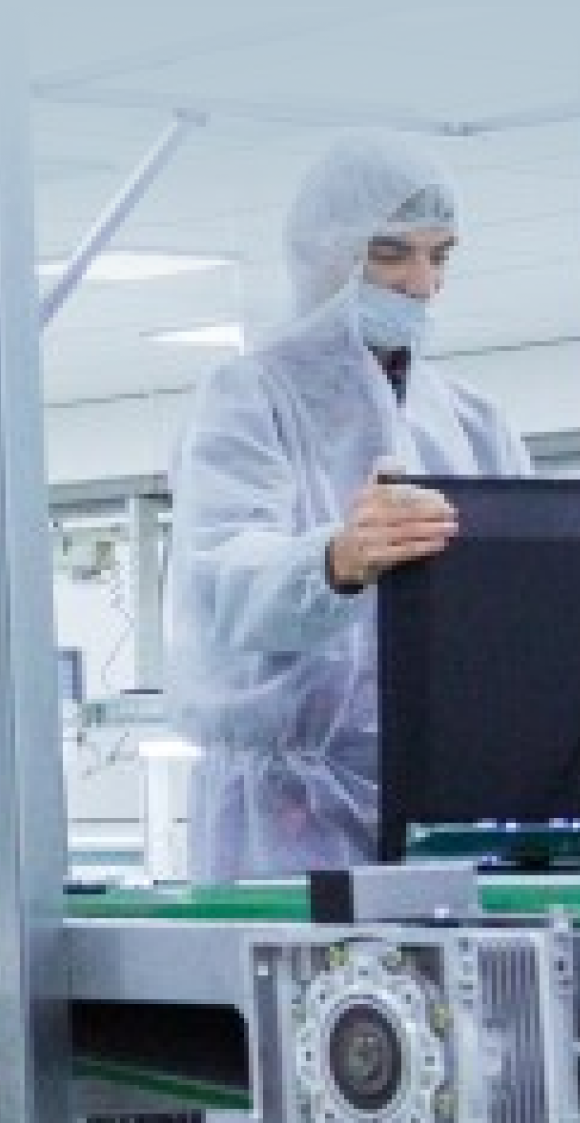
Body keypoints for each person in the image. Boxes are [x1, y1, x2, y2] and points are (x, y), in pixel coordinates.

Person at [163, 135, 529, 880]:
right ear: (327, 256)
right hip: (287, 808)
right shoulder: (249, 396)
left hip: (441, 799)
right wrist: (336, 559)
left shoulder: (471, 419)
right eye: (393, 254)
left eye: (441, 256)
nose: (423, 284)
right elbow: (226, 576)